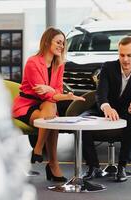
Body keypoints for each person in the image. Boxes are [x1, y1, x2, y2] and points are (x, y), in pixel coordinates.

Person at [12, 27, 85, 182]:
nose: (62, 46)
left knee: (51, 108)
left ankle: (39, 151)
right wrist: (57, 93)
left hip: (47, 105)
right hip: (27, 105)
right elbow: (42, 92)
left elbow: (54, 92)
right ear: (47, 42)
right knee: (52, 114)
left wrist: (65, 95)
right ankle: (51, 163)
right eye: (58, 42)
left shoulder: (59, 64)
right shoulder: (33, 62)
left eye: (63, 43)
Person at [82, 36, 131, 182]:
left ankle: (122, 167)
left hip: (125, 112)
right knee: (83, 122)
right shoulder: (107, 67)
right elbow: (101, 92)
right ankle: (94, 167)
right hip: (102, 109)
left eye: (129, 55)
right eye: (122, 55)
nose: (125, 59)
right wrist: (106, 107)